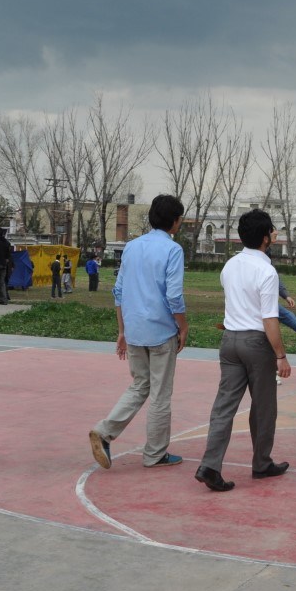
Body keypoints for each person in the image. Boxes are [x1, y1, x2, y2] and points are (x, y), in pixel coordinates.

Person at [89, 195, 189, 471]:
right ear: (175, 221)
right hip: (161, 331)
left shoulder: (131, 247)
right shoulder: (173, 250)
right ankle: (155, 453)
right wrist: (183, 325)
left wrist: (122, 330)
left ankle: (104, 431)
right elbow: (174, 295)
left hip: (134, 329)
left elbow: (119, 291)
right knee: (160, 394)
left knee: (139, 385)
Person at [196, 209, 289, 492]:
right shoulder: (267, 271)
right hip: (256, 343)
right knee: (263, 407)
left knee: (223, 406)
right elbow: (269, 319)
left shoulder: (230, 265)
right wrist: (281, 355)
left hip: (229, 341)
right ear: (265, 238)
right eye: (272, 230)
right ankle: (262, 463)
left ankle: (210, 465)